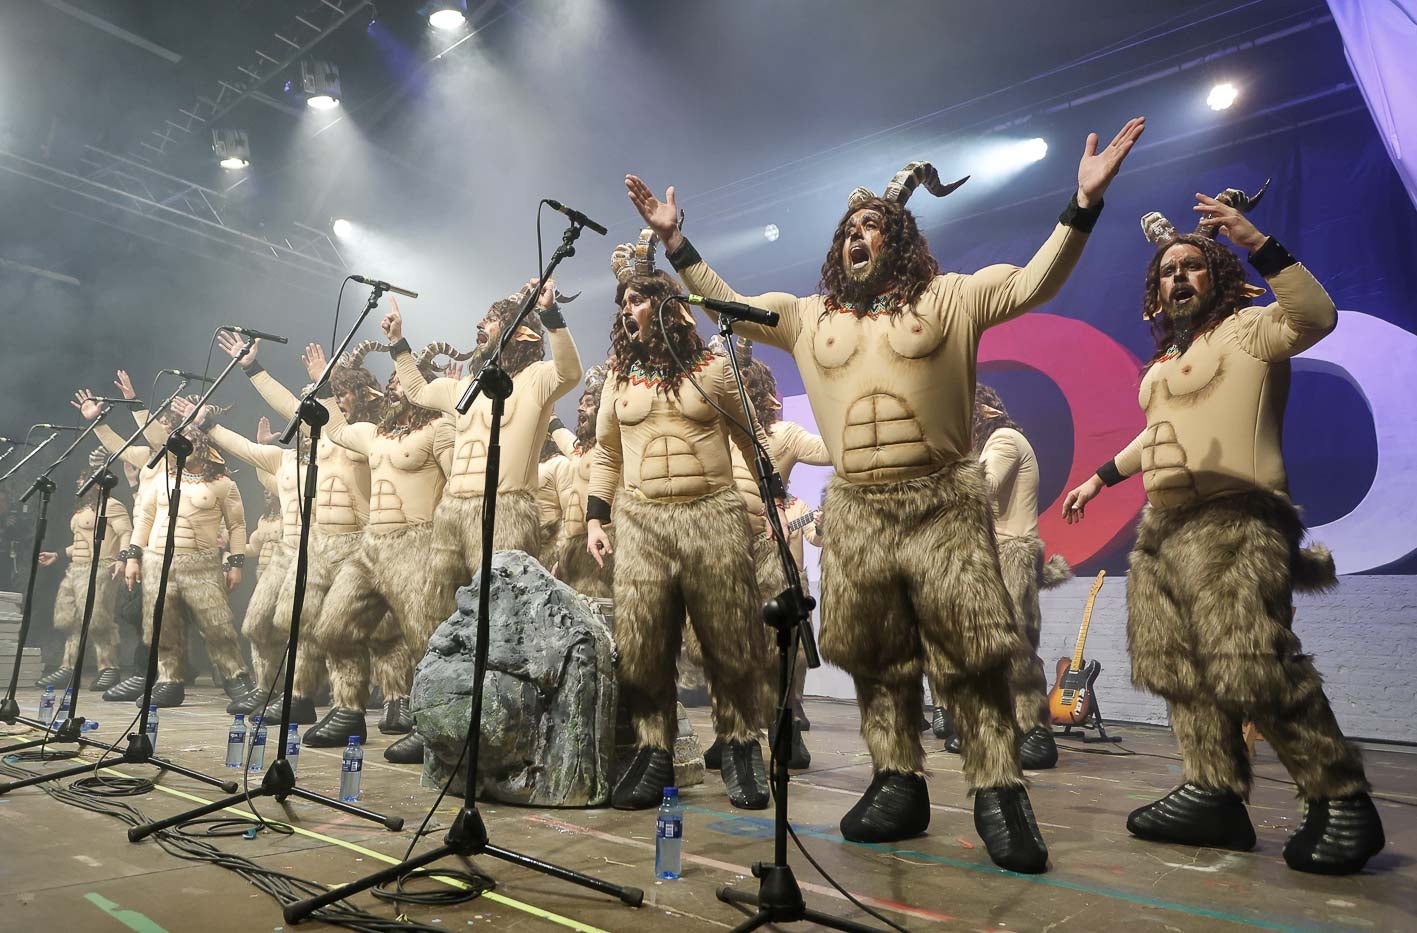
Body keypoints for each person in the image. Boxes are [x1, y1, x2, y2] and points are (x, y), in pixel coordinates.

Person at [626, 115, 1143, 872]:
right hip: (859, 511)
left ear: (898, 239)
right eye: (847, 230)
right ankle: (896, 778)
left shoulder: (951, 298)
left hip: (939, 502)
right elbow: (724, 303)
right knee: (875, 657)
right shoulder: (807, 317)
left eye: (871, 226)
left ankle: (999, 789)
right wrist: (676, 245)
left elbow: (1036, 280)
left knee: (968, 657)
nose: (854, 237)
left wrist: (1082, 204)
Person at [1060, 186, 1384, 875]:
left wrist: (1255, 241)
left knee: (1253, 666)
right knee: (1180, 670)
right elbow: (1155, 440)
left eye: (1192, 266)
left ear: (1218, 274)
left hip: (1238, 519)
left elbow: (1316, 314)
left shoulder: (1252, 329)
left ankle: (1341, 798)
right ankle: (1210, 789)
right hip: (1164, 531)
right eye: (1168, 270)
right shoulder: (1159, 370)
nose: (1178, 276)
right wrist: (1098, 478)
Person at [587, 229, 775, 811]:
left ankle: (742, 746)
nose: (628, 309)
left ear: (667, 305)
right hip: (641, 522)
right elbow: (607, 453)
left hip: (712, 516)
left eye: (638, 299)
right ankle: (653, 751)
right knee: (643, 645)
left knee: (729, 641)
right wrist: (596, 519)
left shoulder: (715, 368)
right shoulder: (618, 376)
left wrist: (774, 499)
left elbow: (751, 436)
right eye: (623, 304)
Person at [223, 334, 416, 746]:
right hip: (318, 544)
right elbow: (290, 409)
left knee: (381, 630)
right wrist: (252, 371)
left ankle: (398, 696)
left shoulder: (366, 432)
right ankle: (301, 695)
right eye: (335, 395)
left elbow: (326, 415)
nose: (336, 401)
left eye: (343, 393)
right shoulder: (320, 442)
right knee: (309, 625)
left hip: (360, 541)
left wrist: (322, 388)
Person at [932, 384, 1071, 769]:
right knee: (987, 649)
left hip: (1011, 555)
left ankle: (1036, 732)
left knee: (1015, 646)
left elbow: (986, 484)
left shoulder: (1005, 439)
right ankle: (999, 727)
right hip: (993, 556)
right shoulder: (992, 444)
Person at [34, 448, 131, 692]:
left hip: (100, 568)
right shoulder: (81, 511)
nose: (79, 482)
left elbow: (126, 533)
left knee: (99, 619)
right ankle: (68, 667)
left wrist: (123, 559)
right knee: (70, 619)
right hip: (75, 570)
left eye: (84, 478)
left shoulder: (112, 505)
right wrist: (58, 555)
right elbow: (81, 542)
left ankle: (109, 668)